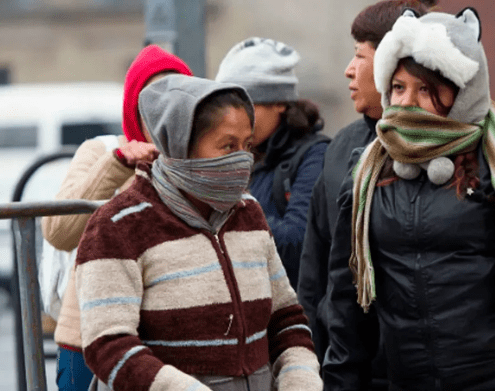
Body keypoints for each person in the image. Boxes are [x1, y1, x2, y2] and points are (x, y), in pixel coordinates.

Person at [323, 8, 495, 391]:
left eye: (426, 90)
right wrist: (341, 381)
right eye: (398, 88)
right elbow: (347, 302)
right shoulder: (368, 171)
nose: (407, 103)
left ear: (462, 92)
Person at [76, 74, 322, 391]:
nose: (242, 160)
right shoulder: (117, 225)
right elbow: (107, 345)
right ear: (181, 146)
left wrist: (299, 379)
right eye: (227, 146)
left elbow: (286, 318)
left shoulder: (250, 214)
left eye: (247, 145)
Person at [40, 45, 192, 391]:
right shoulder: (101, 152)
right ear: (133, 106)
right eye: (152, 99)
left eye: (176, 97)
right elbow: (58, 231)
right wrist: (116, 164)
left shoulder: (199, 161)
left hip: (173, 339)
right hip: (88, 338)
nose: (164, 109)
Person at [297, 0, 431, 366]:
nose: (348, 70)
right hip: (351, 362)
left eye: (360, 56)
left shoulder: (457, 152)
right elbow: (315, 271)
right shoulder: (341, 149)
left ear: (392, 62)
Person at [215, 37, 329, 289]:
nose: (234, 120)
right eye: (226, 109)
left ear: (279, 102)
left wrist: (230, 200)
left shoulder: (315, 157)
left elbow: (298, 245)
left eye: (246, 106)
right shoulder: (237, 154)